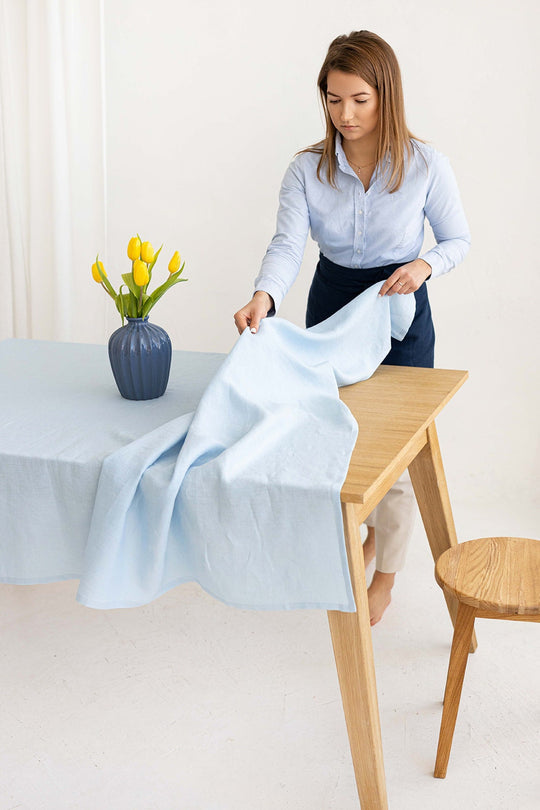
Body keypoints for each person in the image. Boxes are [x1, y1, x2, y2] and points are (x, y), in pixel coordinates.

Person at [233, 30, 470, 625]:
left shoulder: (425, 165)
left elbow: (457, 240)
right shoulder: (306, 170)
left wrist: (423, 265)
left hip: (401, 303)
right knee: (341, 439)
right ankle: (361, 538)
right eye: (334, 100)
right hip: (334, 302)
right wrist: (264, 296)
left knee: (395, 447)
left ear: (385, 96)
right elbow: (288, 245)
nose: (346, 115)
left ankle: (386, 575)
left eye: (360, 100)